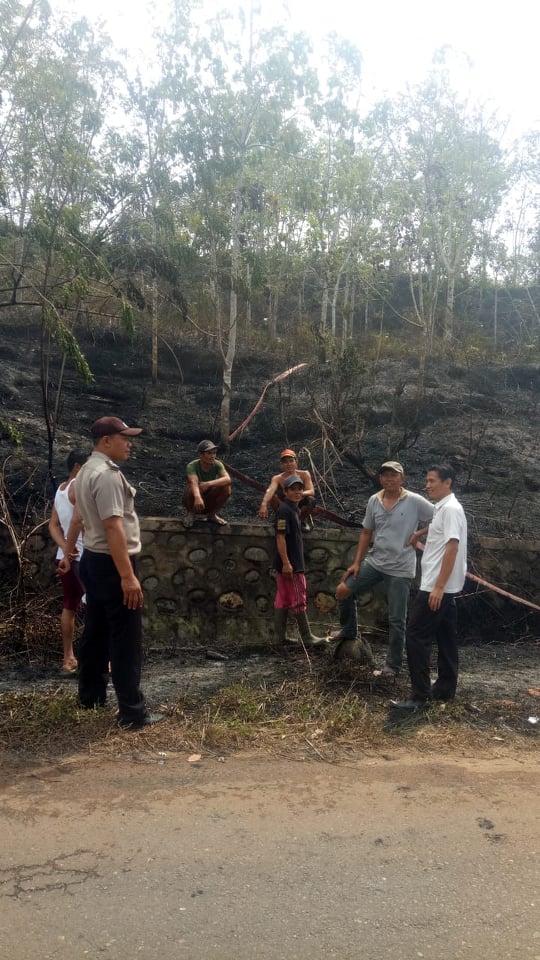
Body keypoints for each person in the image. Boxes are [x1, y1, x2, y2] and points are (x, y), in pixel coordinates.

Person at [59, 416, 163, 730]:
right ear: (107, 441)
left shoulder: (86, 471)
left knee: (96, 633)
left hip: (93, 559)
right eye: (124, 438)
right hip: (113, 563)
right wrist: (128, 576)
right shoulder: (106, 475)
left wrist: (68, 550)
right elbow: (113, 526)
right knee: (125, 639)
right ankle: (133, 712)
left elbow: (78, 513)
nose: (129, 443)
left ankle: (90, 698)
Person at [332, 461, 434, 677]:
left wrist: (418, 533)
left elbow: (441, 518)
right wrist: (356, 562)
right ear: (380, 479)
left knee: (397, 619)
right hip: (376, 561)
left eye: (393, 475)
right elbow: (366, 532)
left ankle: (393, 665)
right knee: (343, 590)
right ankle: (349, 629)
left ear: (402, 479)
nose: (389, 479)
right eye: (385, 475)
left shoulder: (415, 501)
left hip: (401, 568)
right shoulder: (374, 500)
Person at [393, 464, 468, 709]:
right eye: (427, 480)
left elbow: (453, 546)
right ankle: (445, 689)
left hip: (437, 585)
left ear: (448, 482)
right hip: (444, 586)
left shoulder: (452, 509)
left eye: (432, 481)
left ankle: (419, 696)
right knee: (446, 637)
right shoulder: (444, 508)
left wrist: (438, 587)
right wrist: (420, 533)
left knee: (415, 635)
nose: (427, 485)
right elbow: (441, 528)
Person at [273, 474, 327, 648]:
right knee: (298, 597)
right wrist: (287, 563)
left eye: (299, 489)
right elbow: (280, 538)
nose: (297, 492)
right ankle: (307, 637)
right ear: (285, 492)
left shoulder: (294, 510)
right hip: (291, 565)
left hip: (288, 563)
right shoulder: (284, 511)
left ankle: (279, 638)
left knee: (283, 599)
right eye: (292, 489)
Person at [48, 449, 88, 673]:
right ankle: (98, 658)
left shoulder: (61, 490)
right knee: (93, 606)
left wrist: (64, 548)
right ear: (77, 467)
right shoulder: (77, 487)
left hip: (64, 557)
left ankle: (68, 658)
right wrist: (70, 548)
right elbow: (78, 521)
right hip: (81, 557)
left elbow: (53, 525)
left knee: (70, 605)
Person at [258, 449, 316, 532]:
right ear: (281, 465)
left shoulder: (304, 474)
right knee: (273, 497)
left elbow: (311, 491)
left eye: (291, 461)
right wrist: (263, 504)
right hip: (283, 508)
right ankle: (280, 519)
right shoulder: (277, 478)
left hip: (299, 506)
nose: (288, 464)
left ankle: (300, 520)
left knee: (311, 500)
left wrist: (296, 494)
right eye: (285, 462)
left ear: (296, 462)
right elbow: (270, 490)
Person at [183, 440, 232, 528]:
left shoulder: (217, 464)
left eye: (214, 453)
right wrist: (197, 497)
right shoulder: (192, 465)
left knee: (226, 488)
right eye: (209, 453)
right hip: (193, 497)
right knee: (192, 487)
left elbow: (227, 479)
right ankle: (191, 514)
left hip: (208, 497)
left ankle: (212, 515)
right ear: (201, 455)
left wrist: (208, 484)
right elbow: (193, 481)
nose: (212, 456)